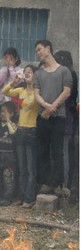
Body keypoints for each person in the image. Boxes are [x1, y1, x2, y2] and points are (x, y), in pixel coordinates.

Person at [33, 40, 73, 196]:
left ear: (48, 49)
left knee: (57, 151)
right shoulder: (39, 73)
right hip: (42, 116)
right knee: (42, 150)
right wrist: (45, 106)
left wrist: (52, 107)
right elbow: (36, 94)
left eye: (39, 49)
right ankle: (45, 182)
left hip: (58, 117)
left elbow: (66, 92)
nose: (38, 53)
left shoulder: (64, 71)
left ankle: (58, 183)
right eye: (36, 51)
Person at [2, 65, 38, 207]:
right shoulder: (21, 90)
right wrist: (14, 81)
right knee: (22, 168)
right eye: (26, 72)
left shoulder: (37, 92)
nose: (27, 74)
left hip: (32, 130)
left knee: (30, 168)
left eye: (30, 72)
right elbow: (5, 91)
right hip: (21, 131)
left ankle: (29, 198)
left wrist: (34, 84)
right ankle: (21, 197)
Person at [53, 50, 78, 196]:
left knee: (65, 153)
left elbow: (71, 100)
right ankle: (57, 183)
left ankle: (65, 186)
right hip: (56, 119)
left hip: (67, 119)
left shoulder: (71, 76)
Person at [0, 101, 18, 206]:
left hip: (9, 155)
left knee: (8, 177)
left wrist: (8, 120)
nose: (2, 114)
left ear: (11, 114)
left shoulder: (12, 125)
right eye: (1, 112)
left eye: (4, 112)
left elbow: (13, 132)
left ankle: (7, 198)